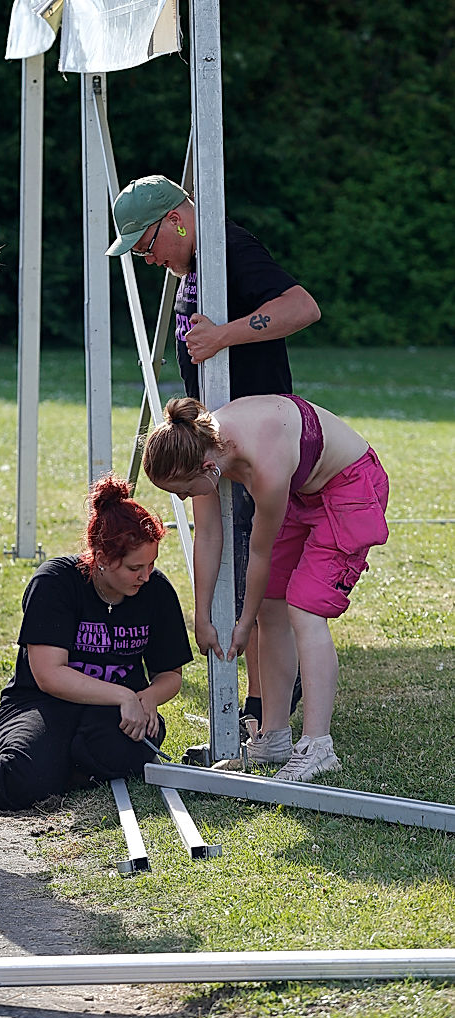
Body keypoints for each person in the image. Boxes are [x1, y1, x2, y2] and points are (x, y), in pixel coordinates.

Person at [106, 175, 321, 728]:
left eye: (148, 244)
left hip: (256, 446)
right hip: (213, 443)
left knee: (260, 570)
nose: (148, 259)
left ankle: (266, 703)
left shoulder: (229, 249)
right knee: (219, 546)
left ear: (176, 219)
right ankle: (250, 704)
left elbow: (302, 307)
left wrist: (227, 334)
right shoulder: (194, 267)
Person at [142, 395, 389, 782]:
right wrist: (202, 616)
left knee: (304, 609)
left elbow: (261, 553)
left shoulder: (264, 466)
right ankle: (273, 736)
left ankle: (317, 745)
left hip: (349, 487)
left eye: (185, 491)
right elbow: (207, 536)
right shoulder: (200, 445)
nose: (183, 498)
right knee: (273, 605)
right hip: (305, 493)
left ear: (207, 469)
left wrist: (244, 622)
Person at [0, 475, 193, 812]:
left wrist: (149, 698)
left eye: (151, 564)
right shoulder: (56, 581)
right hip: (42, 701)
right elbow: (49, 675)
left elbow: (171, 674)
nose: (146, 576)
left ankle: (60, 766)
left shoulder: (156, 590)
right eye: (136, 567)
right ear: (103, 558)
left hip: (114, 711)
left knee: (120, 753)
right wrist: (124, 695)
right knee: (22, 778)